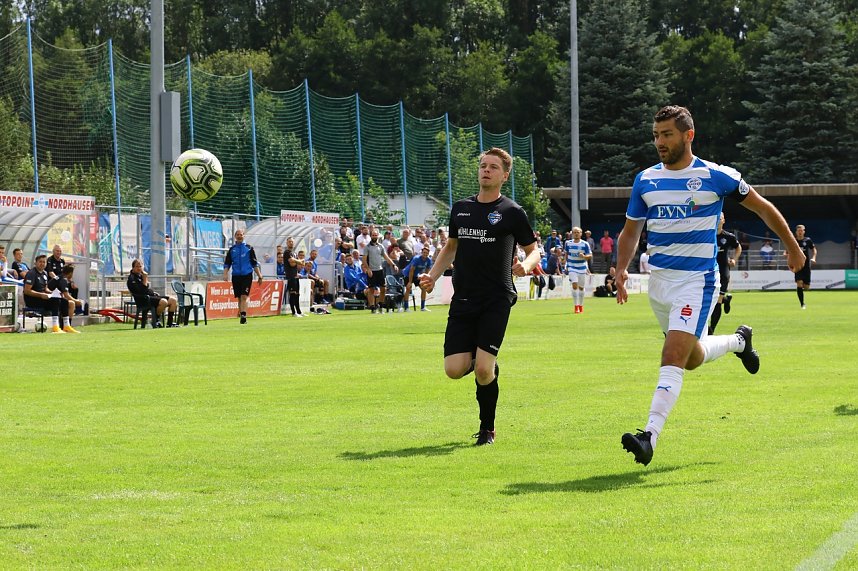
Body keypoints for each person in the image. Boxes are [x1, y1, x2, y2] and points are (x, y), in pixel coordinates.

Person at [614, 105, 804, 467]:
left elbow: (763, 208)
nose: (659, 142)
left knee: (672, 355)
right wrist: (621, 269)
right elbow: (630, 231)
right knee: (690, 359)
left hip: (696, 282)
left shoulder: (716, 176)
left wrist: (793, 248)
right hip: (659, 284)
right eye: (655, 135)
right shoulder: (645, 180)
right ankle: (739, 341)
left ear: (688, 135)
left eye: (667, 134)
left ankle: (649, 436)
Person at [419, 147, 541, 446]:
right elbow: (451, 247)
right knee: (453, 370)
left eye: (493, 167)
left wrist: (526, 266)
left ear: (504, 175)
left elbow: (533, 249)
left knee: (483, 370)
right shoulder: (461, 208)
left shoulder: (512, 212)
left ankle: (487, 428)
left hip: (496, 298)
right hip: (463, 298)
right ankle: (487, 363)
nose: (486, 170)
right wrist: (431, 276)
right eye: (483, 165)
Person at [709, 212, 742, 335]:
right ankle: (726, 300)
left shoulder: (729, 237)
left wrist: (734, 259)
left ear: (724, 221)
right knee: (710, 299)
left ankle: (711, 329)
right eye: (717, 217)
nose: (718, 220)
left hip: (723, 271)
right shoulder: (707, 235)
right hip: (709, 271)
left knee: (717, 301)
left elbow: (738, 248)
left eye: (721, 218)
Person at [222, 229, 264, 324]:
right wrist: (225, 274)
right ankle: (242, 314)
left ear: (243, 236)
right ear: (235, 236)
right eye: (237, 235)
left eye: (241, 234)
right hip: (236, 276)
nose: (239, 236)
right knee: (239, 297)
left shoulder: (249, 248)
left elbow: (254, 263)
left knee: (244, 296)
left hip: (247, 275)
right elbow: (227, 263)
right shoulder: (232, 250)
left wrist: (260, 275)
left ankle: (244, 316)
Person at [127, 259, 179, 328]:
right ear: (133, 268)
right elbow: (142, 291)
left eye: (140, 266)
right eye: (137, 266)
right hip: (143, 300)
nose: (139, 268)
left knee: (173, 300)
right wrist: (145, 278)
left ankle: (170, 323)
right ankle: (155, 321)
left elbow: (147, 288)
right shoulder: (132, 278)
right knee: (164, 302)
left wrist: (152, 292)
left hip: (150, 297)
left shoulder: (141, 275)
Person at [362, 229, 395, 313]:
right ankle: (372, 307)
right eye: (373, 235)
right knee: (371, 289)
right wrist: (368, 269)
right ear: (371, 236)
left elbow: (386, 257)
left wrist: (393, 265)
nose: (374, 236)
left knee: (383, 288)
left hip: (380, 270)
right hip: (371, 270)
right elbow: (364, 260)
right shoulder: (367, 247)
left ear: (377, 236)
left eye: (375, 235)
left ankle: (380, 305)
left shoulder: (381, 246)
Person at [23, 255, 58, 332]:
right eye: (40, 262)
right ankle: (55, 327)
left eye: (44, 262)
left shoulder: (45, 273)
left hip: (43, 298)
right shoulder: (31, 273)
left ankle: (66, 325)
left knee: (64, 301)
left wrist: (53, 292)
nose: (42, 264)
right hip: (32, 300)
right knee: (56, 302)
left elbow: (45, 289)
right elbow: (27, 291)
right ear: (35, 263)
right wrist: (41, 295)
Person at [564, 226, 592, 314]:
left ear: (581, 234)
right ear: (572, 234)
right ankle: (576, 306)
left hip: (582, 267)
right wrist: (565, 264)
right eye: (574, 232)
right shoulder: (568, 243)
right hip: (572, 267)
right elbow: (566, 254)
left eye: (578, 232)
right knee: (574, 285)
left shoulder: (585, 244)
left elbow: (590, 255)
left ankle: (581, 305)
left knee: (581, 287)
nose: (576, 234)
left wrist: (584, 256)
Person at [47, 265, 84, 333]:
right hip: (50, 301)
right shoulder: (63, 280)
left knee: (67, 302)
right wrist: (77, 301)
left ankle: (66, 326)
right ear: (70, 273)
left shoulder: (59, 277)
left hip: (51, 299)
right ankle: (66, 326)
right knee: (72, 303)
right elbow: (66, 295)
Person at [792, 224, 817, 309]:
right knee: (799, 283)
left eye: (801, 230)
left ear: (804, 231)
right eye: (798, 230)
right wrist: (786, 255)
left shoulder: (808, 240)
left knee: (806, 287)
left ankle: (804, 288)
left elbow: (814, 249)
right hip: (798, 265)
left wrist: (814, 257)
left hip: (806, 266)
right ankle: (802, 304)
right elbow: (787, 251)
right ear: (796, 232)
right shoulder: (793, 241)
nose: (800, 232)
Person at [405, 246, 433, 311]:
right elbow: (411, 270)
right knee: (408, 289)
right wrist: (410, 282)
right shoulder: (416, 259)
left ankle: (423, 307)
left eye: (426, 253)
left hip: (417, 275)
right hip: (408, 274)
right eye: (424, 252)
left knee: (424, 288)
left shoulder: (428, 260)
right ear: (421, 253)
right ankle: (406, 307)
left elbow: (427, 271)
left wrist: (425, 279)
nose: (425, 254)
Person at [281, 237, 304, 317]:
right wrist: (299, 261)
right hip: (290, 276)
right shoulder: (287, 252)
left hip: (296, 276)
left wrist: (297, 261)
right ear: (287, 243)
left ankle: (299, 311)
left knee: (297, 294)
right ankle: (294, 312)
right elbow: (291, 263)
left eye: (292, 242)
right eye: (289, 241)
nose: (291, 243)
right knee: (292, 294)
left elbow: (299, 264)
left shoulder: (294, 253)